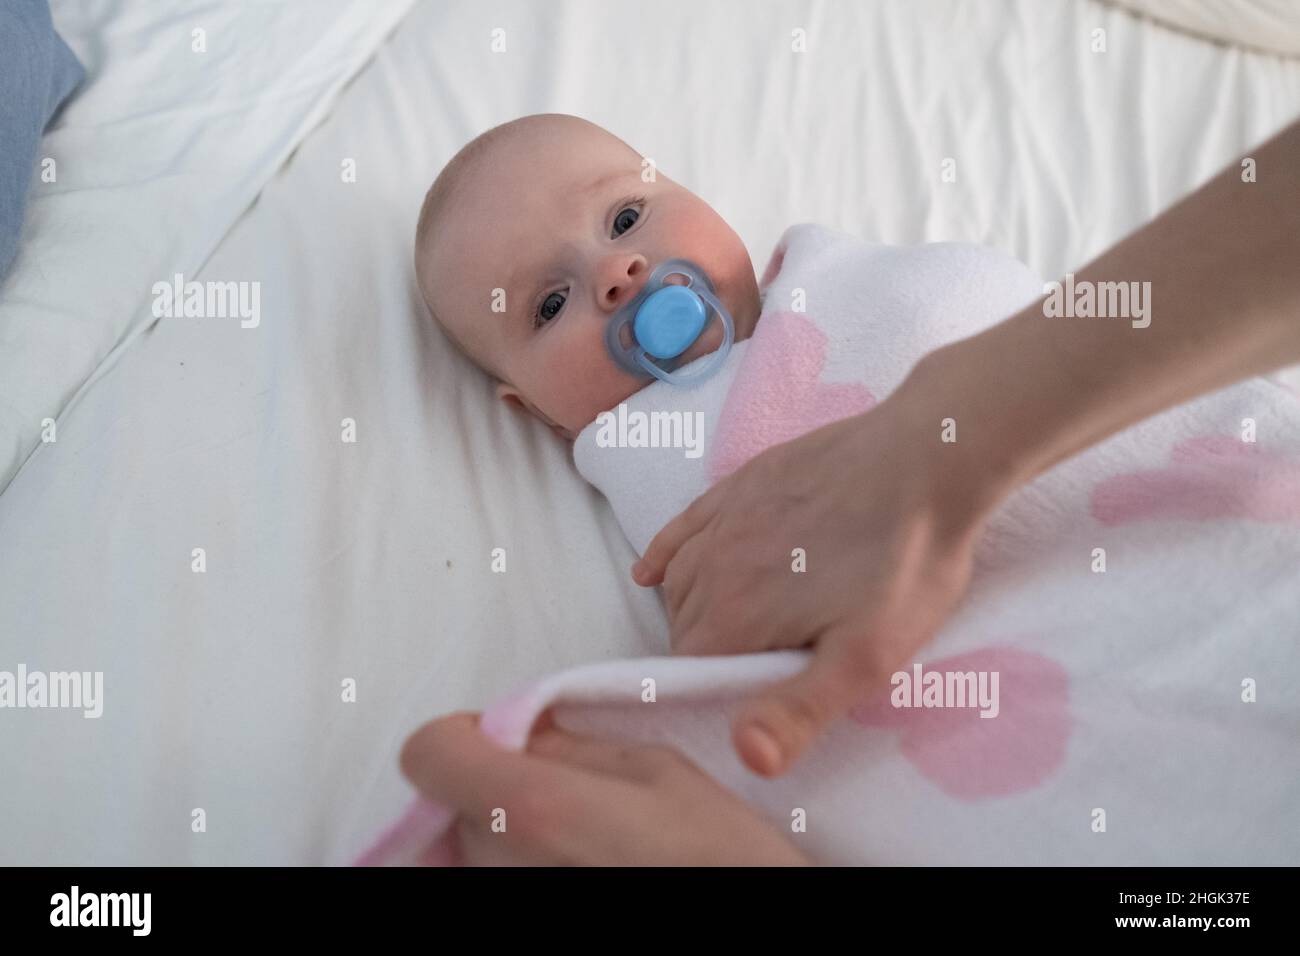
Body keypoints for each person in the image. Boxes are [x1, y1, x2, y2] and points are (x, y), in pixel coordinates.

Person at [401, 118, 1300, 865]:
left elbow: (974, 305)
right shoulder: (635, 447)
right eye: (547, 306)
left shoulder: (848, 281)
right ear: (540, 415)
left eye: (628, 213)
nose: (616, 273)